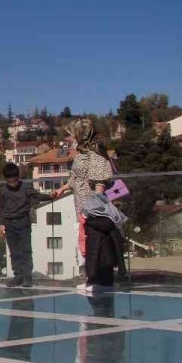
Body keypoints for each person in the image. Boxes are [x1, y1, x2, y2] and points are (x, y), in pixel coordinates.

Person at [51, 120, 120, 293]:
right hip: (82, 207)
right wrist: (62, 189)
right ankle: (92, 279)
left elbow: (99, 181)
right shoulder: (81, 154)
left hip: (92, 209)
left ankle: (100, 281)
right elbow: (76, 178)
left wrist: (94, 208)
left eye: (73, 134)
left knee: (96, 243)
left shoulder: (95, 153)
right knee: (86, 243)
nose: (71, 137)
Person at [0, 162, 52, 288]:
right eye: (10, 181)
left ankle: (28, 277)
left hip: (23, 222)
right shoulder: (4, 189)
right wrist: (1, 224)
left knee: (26, 251)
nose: (13, 184)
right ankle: (18, 276)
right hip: (9, 224)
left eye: (14, 180)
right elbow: (0, 207)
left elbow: (37, 196)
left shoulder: (26, 187)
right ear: (6, 179)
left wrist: (50, 196)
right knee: (14, 252)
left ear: (18, 177)